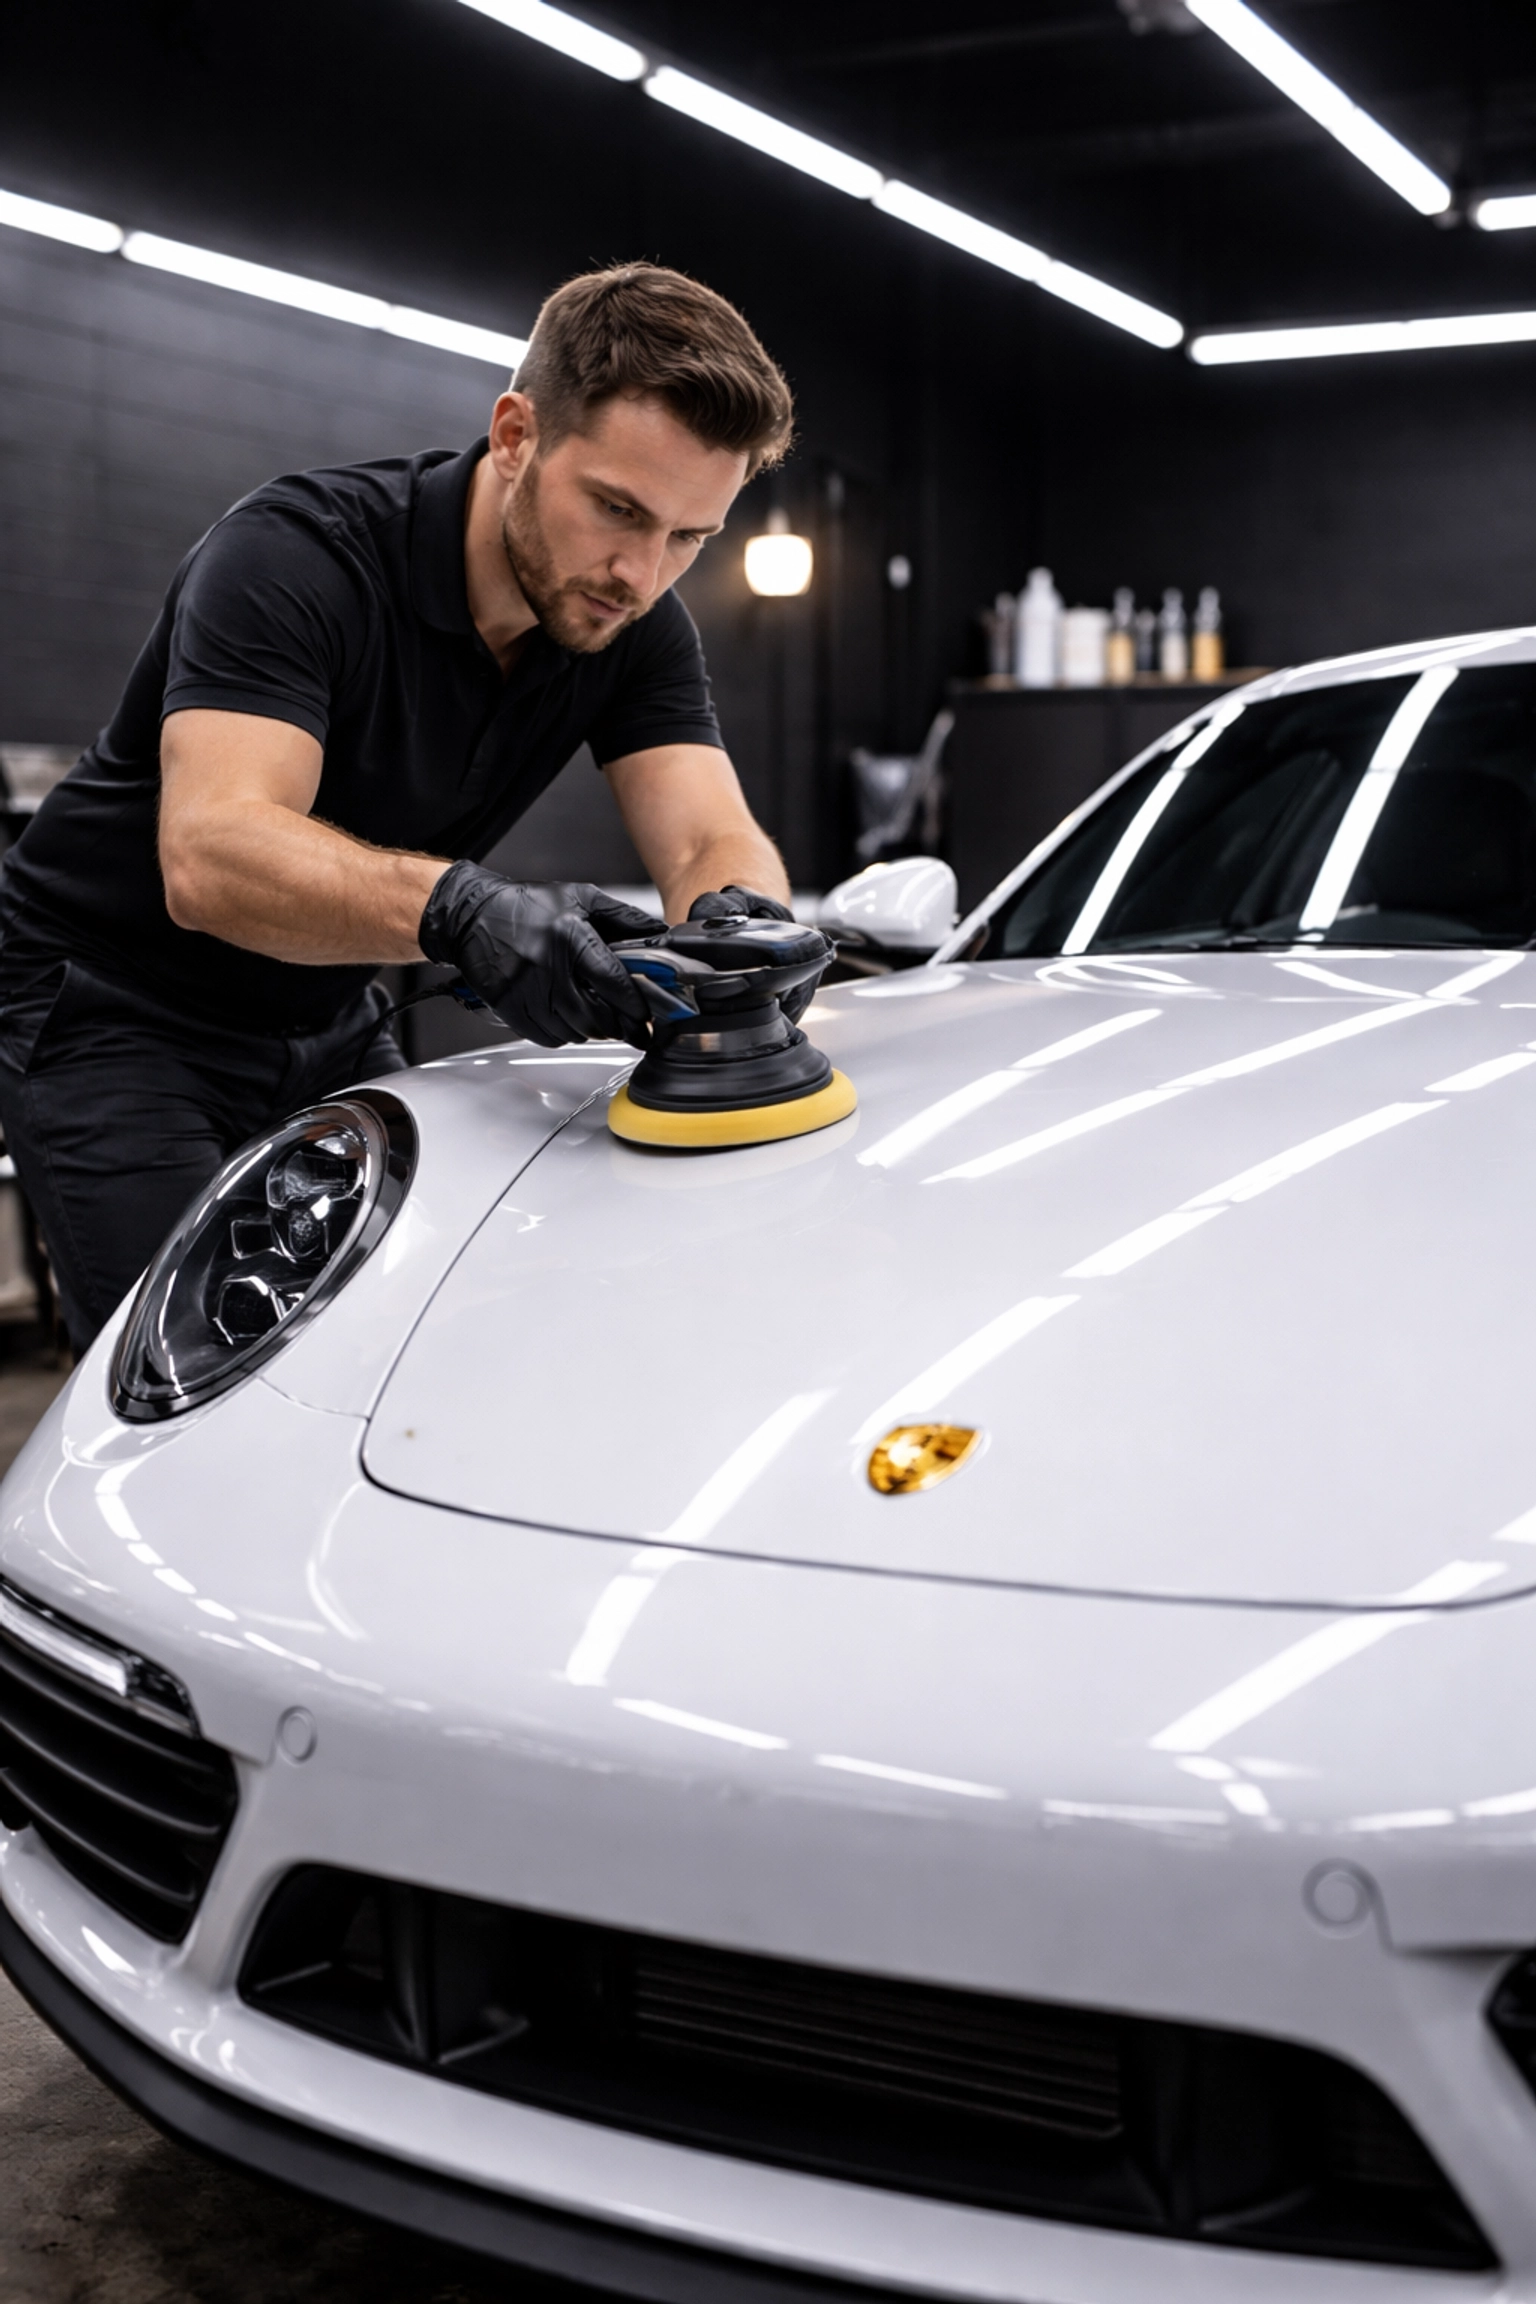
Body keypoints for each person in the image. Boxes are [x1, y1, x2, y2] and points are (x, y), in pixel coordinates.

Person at [0, 262, 797, 1353]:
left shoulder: (631, 620)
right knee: (203, 1374)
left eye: (688, 537)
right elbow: (212, 852)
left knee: (398, 1340)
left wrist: (738, 931)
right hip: (114, 1009)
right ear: (516, 435)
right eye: (617, 508)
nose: (640, 571)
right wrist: (465, 910)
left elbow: (709, 836)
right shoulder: (296, 557)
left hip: (324, 1010)